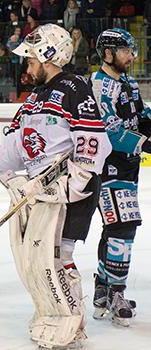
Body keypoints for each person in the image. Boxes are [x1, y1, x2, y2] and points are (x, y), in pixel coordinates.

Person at [0, 24, 112, 348]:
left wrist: (73, 186)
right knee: (38, 258)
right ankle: (51, 313)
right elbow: (18, 145)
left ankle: (70, 324)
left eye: (30, 59)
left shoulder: (74, 87)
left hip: (70, 191)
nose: (27, 66)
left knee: (57, 256)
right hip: (42, 192)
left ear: (47, 56)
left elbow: (93, 142)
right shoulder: (35, 97)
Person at [90, 28, 151, 327]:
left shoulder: (127, 81)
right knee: (124, 225)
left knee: (114, 227)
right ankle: (116, 292)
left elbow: (141, 116)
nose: (132, 56)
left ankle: (102, 289)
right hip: (107, 167)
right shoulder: (99, 85)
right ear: (108, 53)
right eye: (126, 51)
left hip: (129, 166)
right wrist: (146, 143)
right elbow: (111, 133)